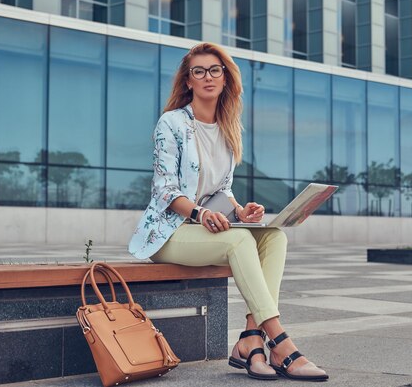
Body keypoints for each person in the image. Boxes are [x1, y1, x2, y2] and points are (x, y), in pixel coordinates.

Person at [128, 43, 328, 382]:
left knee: (274, 237)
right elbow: (165, 190)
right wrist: (201, 215)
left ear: (225, 78)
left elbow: (220, 188)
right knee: (239, 243)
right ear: (188, 81)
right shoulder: (172, 123)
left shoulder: (229, 127)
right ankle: (280, 343)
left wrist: (239, 210)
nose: (208, 77)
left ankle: (251, 339)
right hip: (169, 233)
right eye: (199, 71)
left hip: (206, 230)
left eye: (214, 70)